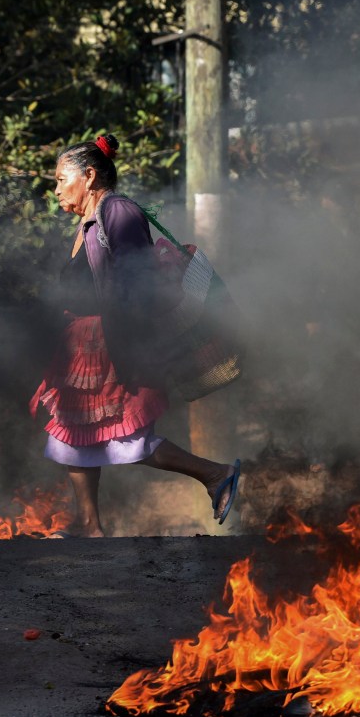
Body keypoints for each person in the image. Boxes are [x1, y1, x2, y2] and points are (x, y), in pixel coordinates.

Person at [30, 133, 241, 537]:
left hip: (112, 343)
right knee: (72, 432)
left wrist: (129, 344)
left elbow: (136, 281)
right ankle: (89, 525)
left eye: (61, 179)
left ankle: (215, 474)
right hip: (84, 345)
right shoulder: (87, 222)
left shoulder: (119, 211)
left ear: (89, 176)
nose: (56, 189)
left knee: (127, 437)